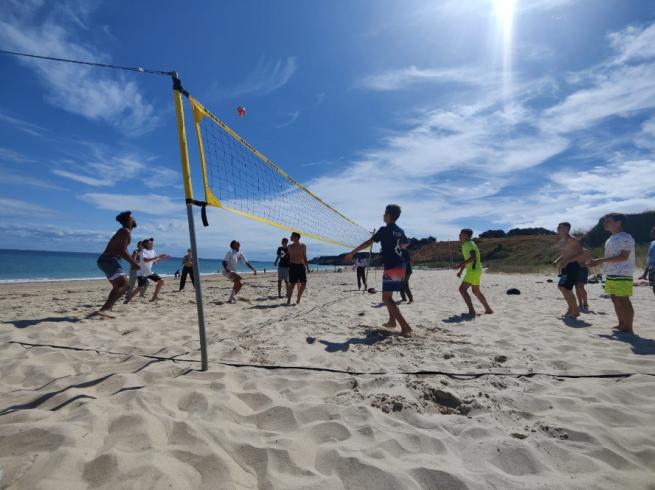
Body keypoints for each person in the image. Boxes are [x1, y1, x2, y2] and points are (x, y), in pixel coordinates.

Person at [345, 204, 412, 337]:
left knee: (386, 299)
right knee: (389, 297)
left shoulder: (384, 230)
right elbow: (406, 243)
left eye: (384, 213)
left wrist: (352, 252)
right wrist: (398, 246)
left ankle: (405, 327)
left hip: (392, 266)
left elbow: (368, 243)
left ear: (388, 215)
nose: (382, 215)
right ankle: (392, 321)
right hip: (400, 265)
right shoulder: (400, 230)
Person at [588, 213, 636, 334]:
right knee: (615, 299)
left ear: (618, 222)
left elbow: (624, 257)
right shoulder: (611, 238)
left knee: (624, 300)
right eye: (604, 221)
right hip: (611, 273)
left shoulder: (625, 237)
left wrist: (600, 260)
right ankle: (621, 324)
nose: (604, 223)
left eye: (608, 221)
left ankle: (629, 328)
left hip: (623, 272)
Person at [93, 211, 141, 318]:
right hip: (109, 260)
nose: (135, 220)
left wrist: (132, 262)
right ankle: (105, 309)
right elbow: (121, 250)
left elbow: (122, 250)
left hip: (108, 260)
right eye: (133, 218)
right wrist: (133, 263)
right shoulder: (125, 231)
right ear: (129, 220)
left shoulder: (125, 231)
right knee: (125, 285)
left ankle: (107, 308)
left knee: (117, 286)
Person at [456, 229, 493, 316]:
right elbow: (467, 259)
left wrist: (460, 265)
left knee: (462, 289)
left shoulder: (469, 244)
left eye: (461, 234)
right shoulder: (466, 244)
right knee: (476, 291)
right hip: (476, 270)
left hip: (473, 270)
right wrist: (461, 271)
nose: (459, 235)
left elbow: (473, 257)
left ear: (467, 236)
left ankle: (472, 311)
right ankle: (488, 309)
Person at [553, 222, 584, 318]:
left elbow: (581, 253)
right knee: (567, 289)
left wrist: (567, 261)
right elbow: (565, 253)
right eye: (558, 226)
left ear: (566, 229)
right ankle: (572, 309)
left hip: (573, 266)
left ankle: (574, 310)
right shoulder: (563, 240)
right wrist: (558, 260)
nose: (558, 228)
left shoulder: (572, 239)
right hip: (565, 267)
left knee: (563, 287)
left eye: (560, 227)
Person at [125, 238, 169, 303]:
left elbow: (154, 260)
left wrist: (162, 258)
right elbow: (146, 260)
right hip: (141, 273)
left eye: (152, 242)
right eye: (150, 243)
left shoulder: (153, 251)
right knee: (140, 287)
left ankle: (154, 297)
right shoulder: (143, 251)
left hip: (149, 272)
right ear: (146, 244)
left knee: (161, 281)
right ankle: (127, 300)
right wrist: (158, 257)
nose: (152, 243)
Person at [287, 232, 311, 305]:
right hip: (293, 266)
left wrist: (307, 267)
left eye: (292, 236)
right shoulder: (289, 246)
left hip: (301, 266)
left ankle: (298, 298)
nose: (290, 237)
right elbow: (289, 257)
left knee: (303, 283)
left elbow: (304, 257)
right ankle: (289, 300)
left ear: (296, 237)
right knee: (292, 284)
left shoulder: (303, 246)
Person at [638, 226, 655, 298]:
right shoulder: (652, 243)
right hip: (652, 269)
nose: (651, 232)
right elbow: (649, 260)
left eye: (653, 231)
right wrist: (645, 274)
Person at [576, 246, 591, 311]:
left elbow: (588, 260)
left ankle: (585, 303)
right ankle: (580, 304)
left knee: (581, 287)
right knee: (576, 287)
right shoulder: (573, 250)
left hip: (582, 269)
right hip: (575, 269)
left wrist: (585, 264)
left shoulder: (584, 250)